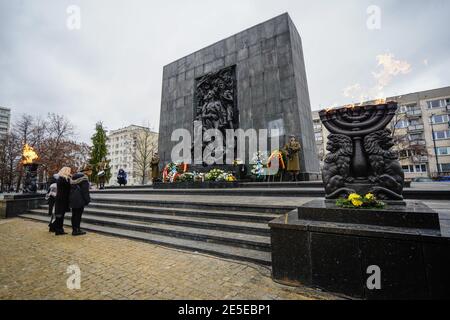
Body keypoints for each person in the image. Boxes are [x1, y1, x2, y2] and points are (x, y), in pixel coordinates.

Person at [69, 164, 92, 236]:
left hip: (72, 198)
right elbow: (85, 191)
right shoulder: (84, 178)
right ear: (87, 171)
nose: (90, 173)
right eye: (90, 171)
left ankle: (74, 229)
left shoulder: (74, 176)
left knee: (74, 214)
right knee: (78, 215)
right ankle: (77, 230)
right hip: (80, 199)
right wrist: (87, 200)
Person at [50, 167, 72, 235]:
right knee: (60, 215)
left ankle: (57, 228)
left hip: (60, 198)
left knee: (59, 215)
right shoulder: (64, 179)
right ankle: (59, 230)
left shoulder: (60, 178)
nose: (70, 172)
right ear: (66, 171)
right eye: (69, 171)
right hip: (62, 199)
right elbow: (69, 188)